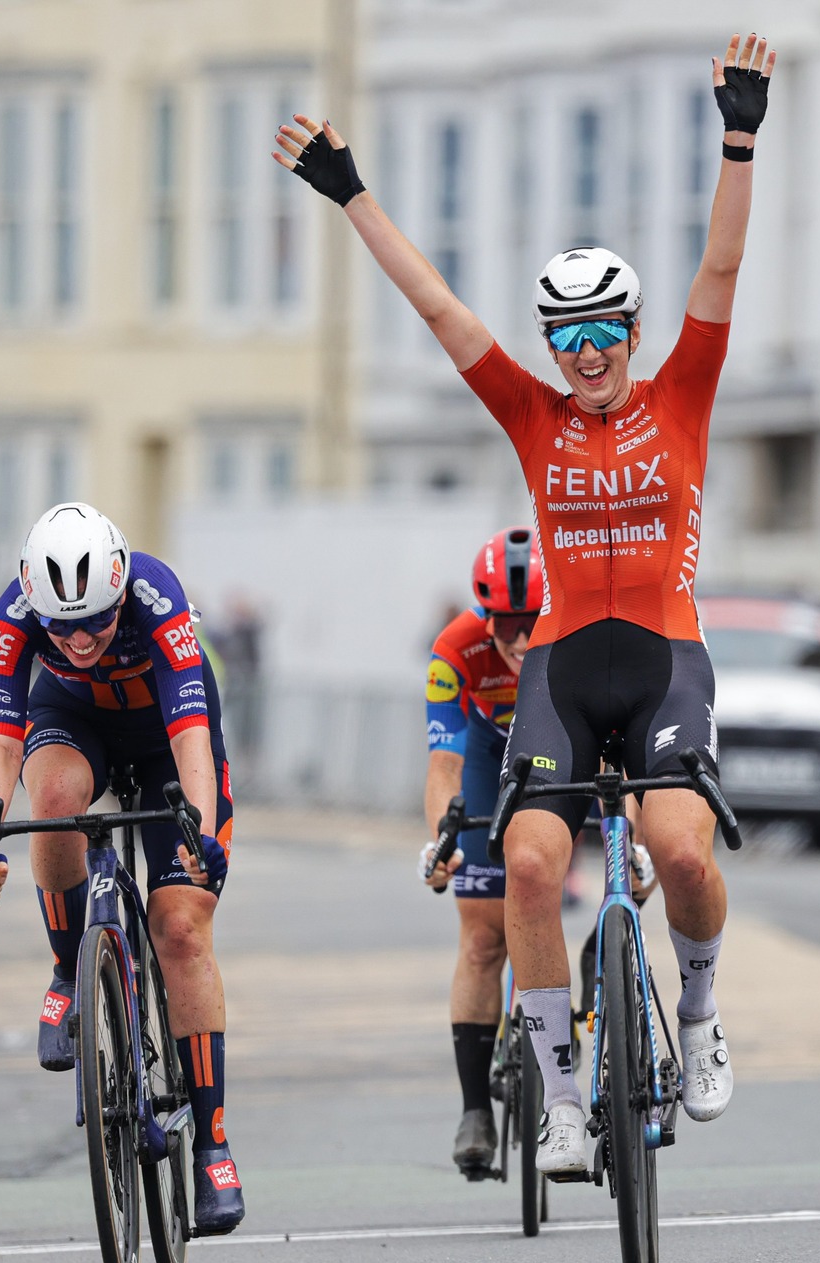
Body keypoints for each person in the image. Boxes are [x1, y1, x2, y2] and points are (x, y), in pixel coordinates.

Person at [281, 32, 773, 1173]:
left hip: (660, 656)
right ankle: (556, 1100)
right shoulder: (532, 414)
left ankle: (696, 1019)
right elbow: (439, 307)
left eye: (606, 330)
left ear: (635, 334)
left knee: (680, 853)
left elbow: (720, 272)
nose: (588, 351)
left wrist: (737, 142)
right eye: (567, 335)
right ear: (550, 347)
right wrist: (351, 194)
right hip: (559, 668)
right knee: (537, 874)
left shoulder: (681, 393)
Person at [0, 503, 243, 1234]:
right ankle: (67, 970)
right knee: (52, 798)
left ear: (119, 593)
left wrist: (200, 835)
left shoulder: (157, 598)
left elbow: (190, 740)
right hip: (72, 719)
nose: (81, 638)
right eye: (64, 626)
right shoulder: (14, 612)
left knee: (180, 924)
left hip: (163, 735)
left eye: (97, 620)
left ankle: (212, 1142)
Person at [418, 528, 543, 1174]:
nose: (521, 640)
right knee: (480, 939)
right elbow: (444, 766)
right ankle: (475, 1109)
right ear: (485, 614)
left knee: (538, 884)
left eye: (532, 623)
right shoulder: (454, 649)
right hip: (485, 755)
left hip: (552, 748)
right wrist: (442, 838)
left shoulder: (568, 634)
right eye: (507, 625)